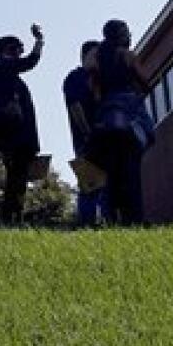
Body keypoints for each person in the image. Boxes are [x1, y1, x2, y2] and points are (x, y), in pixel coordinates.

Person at [91, 20, 153, 225]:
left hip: (107, 116)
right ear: (121, 34)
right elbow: (145, 81)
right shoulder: (127, 55)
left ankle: (110, 217)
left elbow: (95, 92)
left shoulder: (97, 59)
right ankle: (134, 217)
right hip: (128, 113)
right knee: (131, 169)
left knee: (112, 171)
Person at [0, 26, 45, 225]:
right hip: (14, 136)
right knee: (16, 179)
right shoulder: (2, 66)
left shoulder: (8, 77)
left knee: (18, 178)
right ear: (8, 51)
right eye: (16, 50)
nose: (19, 54)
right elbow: (30, 62)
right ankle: (12, 218)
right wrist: (38, 43)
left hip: (16, 136)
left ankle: (14, 216)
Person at [62, 41, 107, 226]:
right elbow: (75, 106)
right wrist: (87, 133)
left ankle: (105, 221)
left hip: (102, 138)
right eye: (95, 56)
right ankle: (86, 222)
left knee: (104, 184)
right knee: (90, 184)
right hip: (86, 140)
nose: (98, 61)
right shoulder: (75, 78)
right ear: (85, 56)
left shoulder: (100, 80)